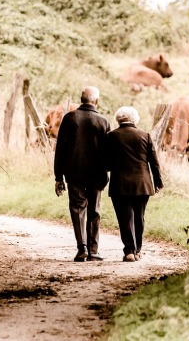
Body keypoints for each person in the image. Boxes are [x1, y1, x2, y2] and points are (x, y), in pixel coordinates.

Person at [54, 86, 111, 262]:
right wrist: (107, 170)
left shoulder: (70, 118)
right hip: (97, 174)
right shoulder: (103, 121)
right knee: (94, 210)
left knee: (77, 209)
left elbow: (60, 150)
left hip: (74, 173)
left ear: (81, 99)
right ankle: (94, 251)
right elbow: (108, 152)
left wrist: (58, 177)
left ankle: (82, 248)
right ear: (97, 101)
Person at [105, 106, 163, 262]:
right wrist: (158, 182)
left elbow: (107, 164)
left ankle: (129, 251)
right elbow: (154, 163)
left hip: (120, 184)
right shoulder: (145, 136)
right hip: (142, 183)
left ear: (118, 119)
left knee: (124, 218)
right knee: (139, 217)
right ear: (135, 119)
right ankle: (138, 250)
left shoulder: (111, 136)